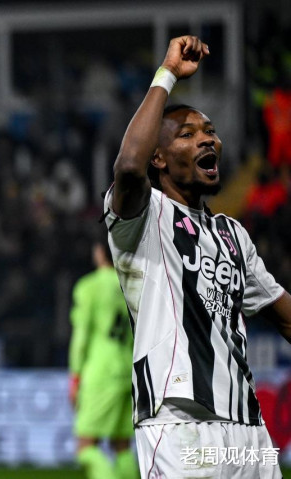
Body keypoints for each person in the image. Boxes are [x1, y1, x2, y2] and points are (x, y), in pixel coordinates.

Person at [104, 35, 291, 478]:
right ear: (159, 159)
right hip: (179, 425)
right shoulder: (143, 218)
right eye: (187, 135)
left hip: (250, 433)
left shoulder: (232, 234)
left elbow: (285, 317)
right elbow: (128, 167)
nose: (207, 139)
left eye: (210, 131)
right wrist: (167, 74)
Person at [68, 238, 137, 479]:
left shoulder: (89, 287)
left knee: (85, 446)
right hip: (128, 369)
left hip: (101, 370)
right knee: (122, 446)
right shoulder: (133, 286)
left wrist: (75, 376)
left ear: (99, 252)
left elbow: (81, 336)